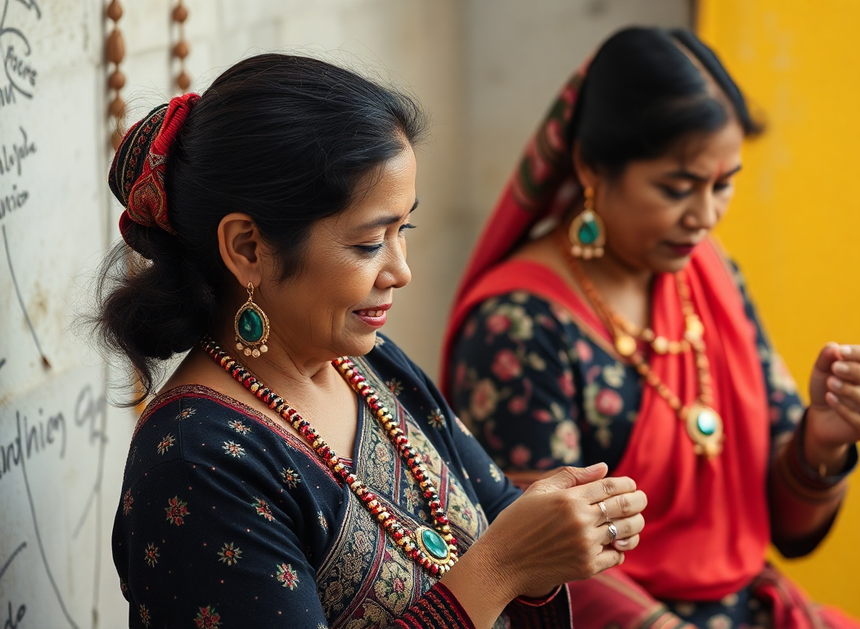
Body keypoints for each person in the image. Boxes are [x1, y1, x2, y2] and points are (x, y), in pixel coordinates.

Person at [97, 53, 648, 629]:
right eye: (368, 244)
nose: (400, 271)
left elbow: (498, 512)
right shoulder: (198, 459)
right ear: (248, 249)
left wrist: (564, 522)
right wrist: (501, 568)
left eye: (402, 229)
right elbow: (499, 556)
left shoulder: (368, 362)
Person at [443, 28, 860, 629]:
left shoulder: (709, 276)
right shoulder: (518, 325)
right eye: (676, 188)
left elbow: (792, 529)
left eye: (723, 184)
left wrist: (824, 441)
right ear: (591, 167)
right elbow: (536, 562)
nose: (705, 216)